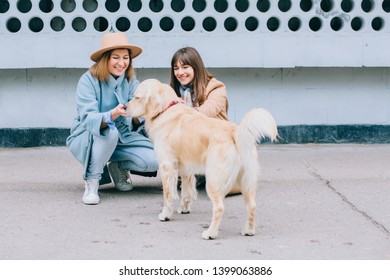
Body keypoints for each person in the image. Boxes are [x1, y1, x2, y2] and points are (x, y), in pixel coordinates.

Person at [66, 32, 159, 205]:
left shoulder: (131, 80)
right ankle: (92, 181)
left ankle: (118, 167)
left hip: (124, 136)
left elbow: (136, 116)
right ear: (105, 59)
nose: (121, 63)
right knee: (110, 132)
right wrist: (111, 114)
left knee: (154, 160)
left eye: (125, 57)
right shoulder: (88, 80)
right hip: (89, 136)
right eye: (115, 57)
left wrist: (146, 114)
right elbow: (87, 118)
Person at [169, 47, 229, 121]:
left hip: (213, 131)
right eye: (176, 68)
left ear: (196, 68)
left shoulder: (216, 88)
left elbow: (207, 111)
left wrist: (178, 110)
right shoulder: (171, 91)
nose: (180, 72)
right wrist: (169, 105)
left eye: (185, 67)